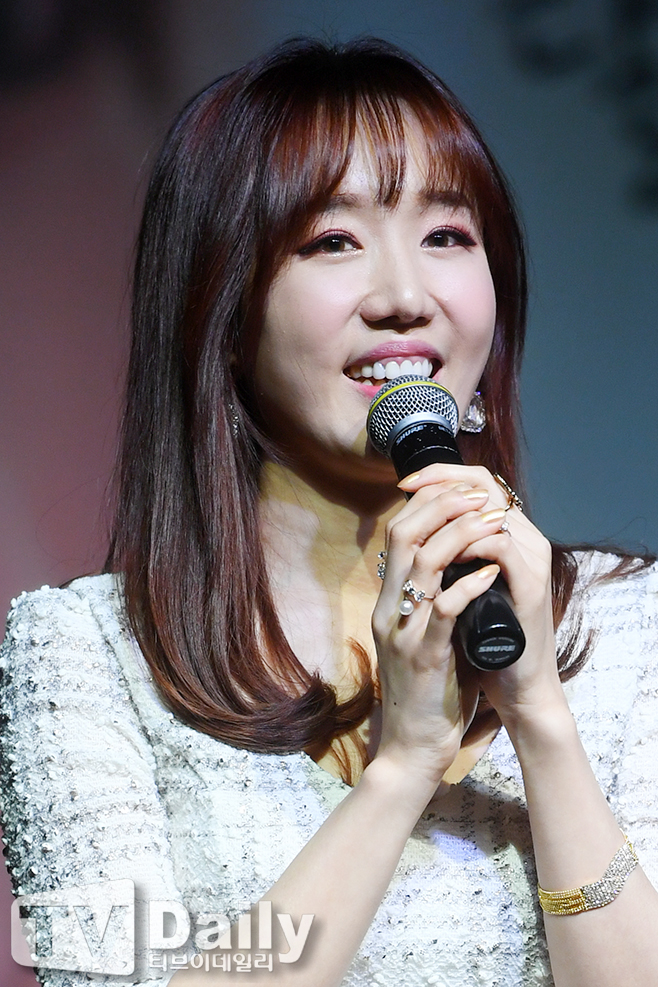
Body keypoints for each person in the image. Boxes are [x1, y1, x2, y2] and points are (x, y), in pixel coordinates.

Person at [1, 37, 657, 987]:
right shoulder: (88, 657)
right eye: (332, 242)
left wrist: (542, 719)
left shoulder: (627, 620)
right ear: (222, 313)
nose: (405, 297)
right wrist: (402, 769)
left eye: (447, 236)